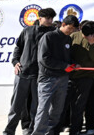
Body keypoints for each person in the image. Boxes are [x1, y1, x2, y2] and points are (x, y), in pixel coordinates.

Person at [5, 7, 56, 135]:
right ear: (40, 18)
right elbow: (18, 48)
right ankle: (9, 131)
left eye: (52, 18)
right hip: (22, 73)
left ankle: (31, 131)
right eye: (47, 18)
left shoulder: (53, 34)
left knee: (36, 107)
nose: (50, 20)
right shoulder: (27, 30)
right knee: (16, 106)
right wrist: (15, 62)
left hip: (41, 75)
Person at [32, 14, 79, 135]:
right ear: (63, 24)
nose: (71, 31)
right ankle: (38, 133)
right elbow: (44, 59)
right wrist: (64, 66)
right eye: (70, 28)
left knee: (57, 111)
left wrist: (74, 64)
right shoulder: (49, 36)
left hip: (63, 79)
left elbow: (68, 57)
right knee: (43, 110)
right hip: (48, 79)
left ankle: (50, 132)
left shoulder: (68, 39)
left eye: (73, 29)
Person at [67, 20, 94, 135]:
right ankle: (75, 127)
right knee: (72, 103)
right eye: (83, 32)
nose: (83, 35)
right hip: (72, 75)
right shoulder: (74, 35)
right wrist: (73, 64)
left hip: (89, 75)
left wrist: (92, 43)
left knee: (85, 102)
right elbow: (68, 54)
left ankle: (85, 128)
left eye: (87, 34)